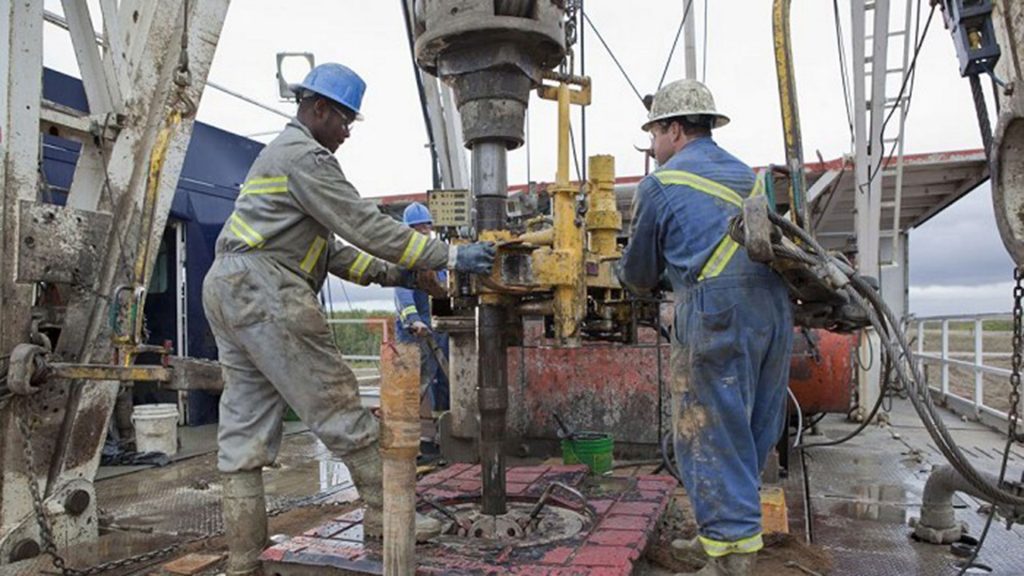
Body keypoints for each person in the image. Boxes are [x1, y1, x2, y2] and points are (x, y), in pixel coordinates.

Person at [202, 62, 495, 576]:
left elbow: (337, 254)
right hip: (265, 289)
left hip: (230, 287)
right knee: (337, 402)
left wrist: (400, 274)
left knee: (243, 432)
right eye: (344, 121)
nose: (346, 133)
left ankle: (245, 558)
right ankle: (387, 516)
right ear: (319, 110)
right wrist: (445, 258)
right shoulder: (306, 157)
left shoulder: (280, 160)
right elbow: (363, 226)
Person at [617, 79, 793, 576]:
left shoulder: (661, 184)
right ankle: (728, 537)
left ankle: (728, 561)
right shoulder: (749, 176)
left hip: (717, 310)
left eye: (654, 134)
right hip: (774, 309)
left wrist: (619, 273)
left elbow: (639, 274)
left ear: (674, 129)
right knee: (753, 428)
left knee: (708, 431)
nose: (652, 147)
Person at [393, 203, 450, 416]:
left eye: (426, 227)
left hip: (438, 329)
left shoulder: (437, 257)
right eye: (418, 228)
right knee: (411, 382)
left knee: (442, 380)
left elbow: (445, 289)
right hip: (414, 333)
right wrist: (414, 320)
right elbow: (402, 292)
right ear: (409, 230)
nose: (423, 232)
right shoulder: (404, 258)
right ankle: (400, 431)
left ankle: (442, 427)